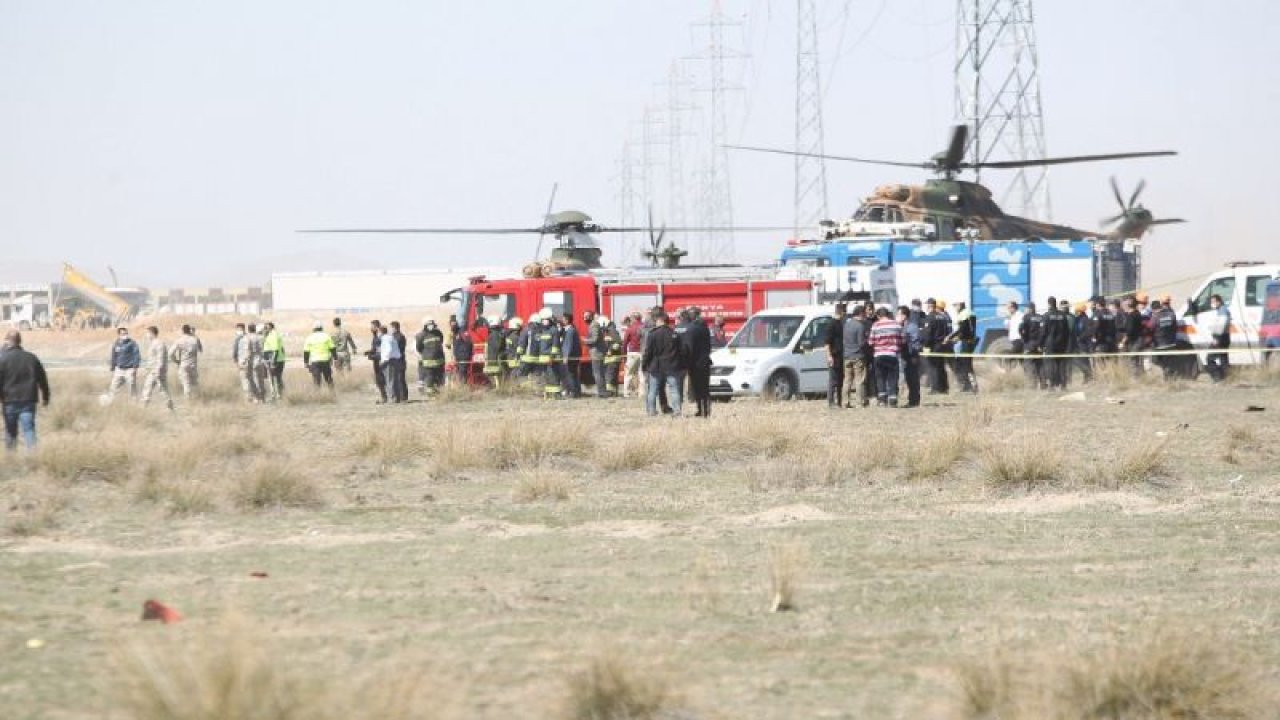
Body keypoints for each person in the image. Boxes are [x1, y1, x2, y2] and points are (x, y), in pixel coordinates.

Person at [0, 331, 49, 450]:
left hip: (9, 400)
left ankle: (12, 459)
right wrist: (46, 396)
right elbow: (42, 379)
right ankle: (32, 458)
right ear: (20, 341)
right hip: (28, 400)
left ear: (7, 341)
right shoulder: (31, 358)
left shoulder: (3, 359)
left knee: (11, 431)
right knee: (29, 429)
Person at [641, 309, 683, 417]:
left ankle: (651, 411)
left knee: (653, 390)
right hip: (672, 365)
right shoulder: (674, 334)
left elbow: (648, 352)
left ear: (660, 320)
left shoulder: (653, 334)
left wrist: (644, 364)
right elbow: (680, 351)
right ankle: (677, 410)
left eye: (656, 320)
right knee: (674, 389)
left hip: (656, 366)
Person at [682, 306, 713, 418]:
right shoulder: (705, 327)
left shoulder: (691, 328)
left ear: (693, 315)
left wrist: (686, 362)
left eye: (690, 314)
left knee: (697, 388)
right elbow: (709, 345)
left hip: (695, 363)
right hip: (705, 361)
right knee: (705, 388)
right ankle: (706, 411)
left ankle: (701, 410)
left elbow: (688, 347)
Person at [869, 307, 904, 407]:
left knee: (880, 378)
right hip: (892, 354)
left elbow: (871, 341)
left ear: (878, 316)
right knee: (892, 378)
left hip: (879, 355)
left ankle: (882, 400)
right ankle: (893, 400)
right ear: (888, 314)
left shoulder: (875, 325)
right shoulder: (896, 325)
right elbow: (903, 340)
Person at [139, 326, 174, 410]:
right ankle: (170, 407)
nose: (146, 335)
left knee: (150, 388)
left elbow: (160, 358)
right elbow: (152, 358)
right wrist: (146, 368)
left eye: (147, 333)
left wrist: (158, 371)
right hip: (154, 370)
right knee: (162, 389)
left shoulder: (159, 343)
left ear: (151, 333)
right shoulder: (154, 343)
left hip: (156, 371)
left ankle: (143, 408)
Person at [920, 299, 951, 394]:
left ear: (930, 306)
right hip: (942, 344)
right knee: (941, 366)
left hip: (933, 345)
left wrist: (925, 345)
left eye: (927, 305)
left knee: (933, 367)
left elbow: (927, 333)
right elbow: (947, 331)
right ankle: (944, 388)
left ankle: (935, 388)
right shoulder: (942, 317)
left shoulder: (930, 317)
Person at [841, 304, 869, 407]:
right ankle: (860, 402)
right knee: (859, 380)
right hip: (858, 356)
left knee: (847, 380)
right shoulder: (860, 326)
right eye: (864, 314)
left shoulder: (846, 325)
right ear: (861, 313)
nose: (865, 316)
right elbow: (861, 343)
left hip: (847, 356)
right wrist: (867, 339)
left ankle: (845, 402)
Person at [1041, 296, 1071, 389]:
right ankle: (1063, 385)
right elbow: (1067, 331)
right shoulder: (1063, 315)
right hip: (1061, 344)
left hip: (1050, 344)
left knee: (1050, 364)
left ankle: (1052, 385)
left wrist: (1041, 344)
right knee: (1061, 364)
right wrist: (1066, 344)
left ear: (1049, 304)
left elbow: (1043, 332)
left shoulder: (1046, 315)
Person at [948, 300, 978, 392]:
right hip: (970, 341)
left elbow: (963, 329)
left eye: (955, 305)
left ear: (960, 305)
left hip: (966, 341)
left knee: (965, 364)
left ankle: (972, 387)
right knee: (965, 363)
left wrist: (952, 337)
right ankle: (969, 385)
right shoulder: (970, 312)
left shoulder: (963, 314)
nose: (955, 308)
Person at [107, 326, 142, 402]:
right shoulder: (116, 343)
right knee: (113, 388)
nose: (125, 335)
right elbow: (113, 356)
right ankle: (109, 403)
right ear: (119, 335)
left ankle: (134, 405)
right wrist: (112, 368)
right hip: (119, 370)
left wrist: (135, 368)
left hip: (129, 370)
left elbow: (137, 355)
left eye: (126, 333)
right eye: (123, 334)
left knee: (132, 389)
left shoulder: (132, 343)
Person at [897, 306, 922, 408]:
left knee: (913, 379)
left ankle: (914, 400)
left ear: (903, 316)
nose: (896, 316)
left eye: (898, 314)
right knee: (907, 378)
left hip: (911, 356)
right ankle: (911, 399)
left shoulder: (912, 327)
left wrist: (914, 355)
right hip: (904, 356)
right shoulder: (902, 326)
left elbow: (916, 343)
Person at [168, 324, 203, 399]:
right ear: (190, 330)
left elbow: (170, 353)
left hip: (183, 365)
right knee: (195, 384)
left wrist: (176, 361)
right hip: (193, 365)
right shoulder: (195, 339)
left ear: (182, 331)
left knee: (186, 385)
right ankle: (199, 399)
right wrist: (194, 334)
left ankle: (188, 401)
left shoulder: (179, 340)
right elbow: (200, 349)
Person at [1203, 293, 1231, 382]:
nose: (1212, 304)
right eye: (1211, 302)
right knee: (1223, 359)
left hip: (1220, 338)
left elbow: (1221, 326)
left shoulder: (1223, 311)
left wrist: (1216, 338)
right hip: (1224, 337)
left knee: (1209, 358)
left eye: (1214, 301)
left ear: (1219, 302)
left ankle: (1218, 377)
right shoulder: (1222, 310)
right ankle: (1226, 378)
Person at [1150, 299, 1180, 380]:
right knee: (1170, 362)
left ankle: (1167, 377)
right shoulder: (1171, 314)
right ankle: (1171, 377)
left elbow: (1150, 328)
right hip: (1172, 343)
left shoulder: (1155, 317)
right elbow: (1175, 327)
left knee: (1156, 360)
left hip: (1160, 345)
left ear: (1153, 309)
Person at [302, 321, 336, 389]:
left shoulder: (309, 338)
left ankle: (318, 396)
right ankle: (332, 394)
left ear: (313, 329)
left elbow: (306, 352)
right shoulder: (327, 336)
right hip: (326, 361)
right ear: (321, 328)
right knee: (329, 379)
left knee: (317, 381)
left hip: (315, 361)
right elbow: (332, 348)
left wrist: (305, 362)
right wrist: (335, 358)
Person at [824, 304, 846, 408]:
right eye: (844, 312)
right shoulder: (831, 324)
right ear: (841, 312)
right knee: (833, 380)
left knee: (840, 380)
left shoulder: (841, 324)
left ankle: (839, 402)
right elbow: (827, 343)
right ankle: (831, 402)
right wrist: (829, 356)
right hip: (834, 355)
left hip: (841, 355)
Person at [584, 309, 608, 398]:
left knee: (597, 373)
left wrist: (584, 340)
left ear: (591, 316)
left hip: (597, 353)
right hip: (596, 353)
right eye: (584, 316)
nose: (585, 318)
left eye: (587, 316)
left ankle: (602, 393)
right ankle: (602, 392)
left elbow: (594, 339)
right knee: (599, 373)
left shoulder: (594, 325)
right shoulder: (592, 325)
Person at [1019, 302, 1044, 387]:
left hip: (1029, 343)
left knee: (1029, 364)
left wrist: (1024, 339)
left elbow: (1021, 329)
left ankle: (1033, 385)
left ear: (1029, 309)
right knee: (1040, 364)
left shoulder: (1026, 317)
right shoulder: (1041, 317)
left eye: (1026, 308)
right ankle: (1043, 383)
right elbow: (1043, 331)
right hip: (1039, 344)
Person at [378, 324, 405, 402]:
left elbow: (388, 350)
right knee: (395, 380)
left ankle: (392, 398)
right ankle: (397, 398)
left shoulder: (385, 339)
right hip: (396, 360)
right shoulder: (391, 338)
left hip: (389, 361)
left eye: (378, 332)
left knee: (389, 380)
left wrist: (384, 360)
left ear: (381, 332)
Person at [1119, 297, 1145, 376]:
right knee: (1134, 359)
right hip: (1134, 340)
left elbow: (1129, 331)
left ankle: (1135, 378)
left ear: (1129, 303)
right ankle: (1136, 376)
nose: (1123, 304)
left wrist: (1122, 342)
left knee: (1133, 359)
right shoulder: (1135, 313)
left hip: (1136, 341)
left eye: (1125, 302)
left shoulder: (1132, 315)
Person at [621, 311, 644, 398]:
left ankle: (626, 393)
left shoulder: (630, 329)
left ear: (633, 319)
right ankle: (642, 393)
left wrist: (624, 355)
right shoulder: (644, 327)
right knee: (641, 374)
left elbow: (625, 343)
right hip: (642, 352)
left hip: (632, 353)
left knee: (628, 374)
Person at [420, 319, 446, 391]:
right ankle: (434, 392)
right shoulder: (438, 333)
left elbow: (419, 347)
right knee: (434, 376)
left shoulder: (422, 334)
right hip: (435, 360)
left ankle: (434, 392)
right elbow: (419, 347)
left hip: (433, 360)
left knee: (432, 376)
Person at [262, 321, 285, 400]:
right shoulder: (273, 335)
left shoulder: (273, 335)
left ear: (270, 328)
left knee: (272, 378)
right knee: (277, 377)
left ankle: (275, 395)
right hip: (278, 359)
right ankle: (279, 394)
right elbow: (282, 348)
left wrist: (273, 362)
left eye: (266, 328)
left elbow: (275, 350)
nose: (265, 329)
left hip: (274, 359)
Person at [366, 320, 387, 402]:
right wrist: (369, 352)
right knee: (379, 380)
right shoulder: (375, 336)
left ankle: (385, 397)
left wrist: (372, 356)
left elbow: (380, 351)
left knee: (381, 380)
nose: (371, 328)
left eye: (372, 326)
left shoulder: (379, 337)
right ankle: (384, 397)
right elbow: (375, 349)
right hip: (377, 361)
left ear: (376, 327)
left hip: (380, 362)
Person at [602, 317, 623, 396]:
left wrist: (610, 350)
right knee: (611, 376)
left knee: (610, 377)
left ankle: (610, 392)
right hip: (609, 359)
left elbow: (618, 343)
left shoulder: (612, 332)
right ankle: (613, 392)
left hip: (613, 358)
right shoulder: (608, 332)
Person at [389, 321, 409, 402]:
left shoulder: (398, 337)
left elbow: (398, 349)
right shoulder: (398, 336)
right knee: (399, 379)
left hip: (399, 360)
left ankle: (403, 397)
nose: (391, 329)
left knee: (400, 379)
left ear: (394, 327)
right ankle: (401, 396)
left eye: (392, 328)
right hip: (398, 360)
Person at [453, 322, 475, 388]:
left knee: (462, 372)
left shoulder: (459, 335)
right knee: (463, 372)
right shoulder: (467, 334)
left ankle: (462, 387)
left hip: (461, 357)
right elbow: (471, 345)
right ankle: (463, 386)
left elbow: (456, 348)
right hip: (465, 357)